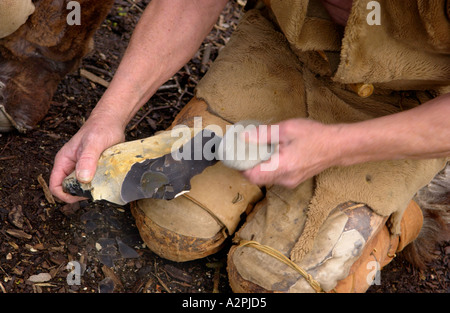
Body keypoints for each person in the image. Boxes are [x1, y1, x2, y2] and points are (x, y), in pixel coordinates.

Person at [49, 0, 449, 292]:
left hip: (405, 101)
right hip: (284, 48)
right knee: (173, 226)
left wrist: (339, 146)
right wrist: (109, 115)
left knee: (274, 281)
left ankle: (415, 203)